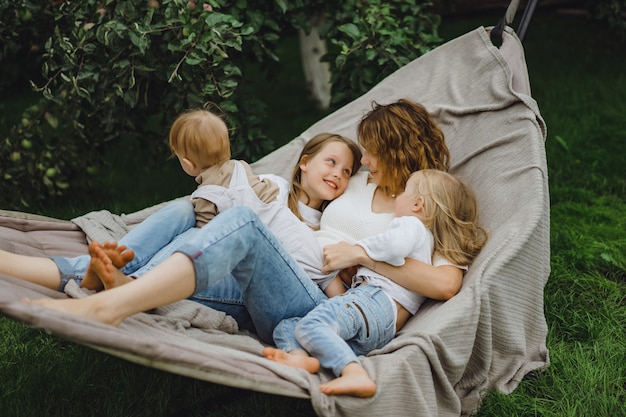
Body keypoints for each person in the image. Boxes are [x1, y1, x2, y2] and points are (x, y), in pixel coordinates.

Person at [24, 98, 465, 348]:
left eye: (370, 152)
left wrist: (360, 256)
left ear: (396, 150)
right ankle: (68, 277)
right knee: (161, 264)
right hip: (286, 274)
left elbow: (445, 284)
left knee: (239, 225)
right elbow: (303, 209)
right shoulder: (355, 183)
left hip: (323, 304)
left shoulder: (425, 207)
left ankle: (108, 305)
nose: (361, 161)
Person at [263, 170, 488, 397]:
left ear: (417, 204)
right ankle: (302, 360)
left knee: (311, 325)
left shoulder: (410, 224)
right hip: (377, 325)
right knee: (288, 325)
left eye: (403, 193)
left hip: (373, 302)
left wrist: (359, 249)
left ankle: (354, 373)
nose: (397, 198)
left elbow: (395, 247)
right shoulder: (425, 240)